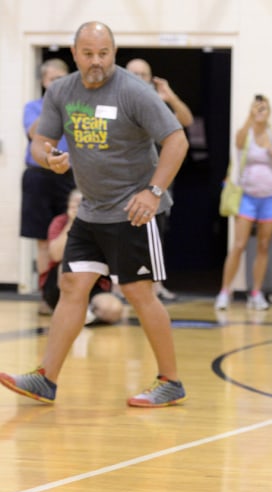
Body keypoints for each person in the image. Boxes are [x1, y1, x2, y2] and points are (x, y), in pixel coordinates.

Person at [0, 21, 190, 407]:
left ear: (113, 54)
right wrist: (48, 158)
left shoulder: (133, 92)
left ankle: (170, 380)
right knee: (72, 286)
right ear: (75, 54)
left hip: (135, 211)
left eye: (104, 54)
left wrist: (153, 192)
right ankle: (45, 379)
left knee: (139, 293)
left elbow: (176, 139)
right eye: (88, 54)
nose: (96, 61)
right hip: (91, 210)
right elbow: (40, 140)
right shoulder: (61, 91)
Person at [214, 94, 272, 311]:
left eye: (264, 109)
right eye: (257, 108)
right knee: (239, 245)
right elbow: (238, 143)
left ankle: (256, 293)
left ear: (269, 113)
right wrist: (249, 118)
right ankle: (225, 292)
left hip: (270, 198)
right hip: (247, 197)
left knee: (264, 245)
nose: (260, 112)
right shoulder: (246, 132)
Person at [126, 57, 194, 302]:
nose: (137, 78)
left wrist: (169, 96)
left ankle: (156, 286)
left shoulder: (157, 104)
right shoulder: (118, 99)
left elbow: (186, 120)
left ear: (150, 79)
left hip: (156, 185)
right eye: (133, 73)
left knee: (156, 236)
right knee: (120, 236)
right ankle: (116, 287)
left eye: (143, 74)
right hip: (125, 185)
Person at [22, 58, 76, 314]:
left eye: (60, 79)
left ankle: (69, 292)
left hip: (69, 175)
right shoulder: (33, 107)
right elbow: (35, 133)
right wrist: (53, 103)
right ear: (44, 81)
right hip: (39, 176)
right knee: (43, 239)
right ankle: (46, 294)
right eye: (52, 80)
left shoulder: (77, 108)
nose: (56, 83)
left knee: (71, 233)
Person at [42, 189, 124, 326]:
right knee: (68, 266)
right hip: (60, 284)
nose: (77, 207)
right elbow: (56, 255)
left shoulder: (103, 224)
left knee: (113, 310)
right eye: (74, 203)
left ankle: (87, 313)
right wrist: (72, 223)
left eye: (81, 203)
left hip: (94, 282)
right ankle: (72, 310)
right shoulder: (60, 221)